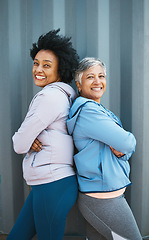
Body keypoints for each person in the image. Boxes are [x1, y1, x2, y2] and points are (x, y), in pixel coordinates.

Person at [7, 29, 79, 240]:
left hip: (52, 185)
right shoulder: (64, 95)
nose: (38, 69)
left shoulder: (49, 97)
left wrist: (27, 141)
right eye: (36, 63)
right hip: (48, 185)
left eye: (46, 65)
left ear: (61, 69)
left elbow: (19, 144)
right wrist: (30, 140)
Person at [67, 57, 142, 240]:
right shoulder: (88, 112)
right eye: (90, 77)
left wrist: (123, 151)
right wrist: (126, 144)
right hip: (103, 199)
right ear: (79, 84)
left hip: (102, 195)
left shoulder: (98, 110)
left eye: (101, 76)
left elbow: (122, 149)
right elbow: (127, 142)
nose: (97, 81)